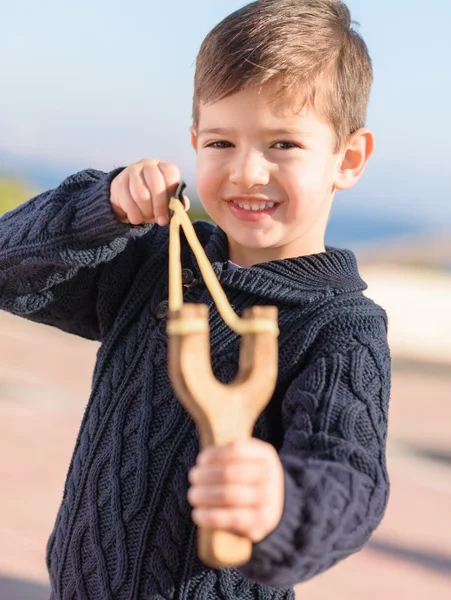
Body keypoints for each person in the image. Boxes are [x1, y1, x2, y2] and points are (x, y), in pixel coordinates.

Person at [0, 1, 391, 598]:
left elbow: (351, 481)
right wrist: (98, 208)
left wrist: (279, 504)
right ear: (193, 143)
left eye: (282, 143)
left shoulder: (339, 328)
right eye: (221, 142)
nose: (245, 173)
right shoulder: (158, 263)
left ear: (349, 158)